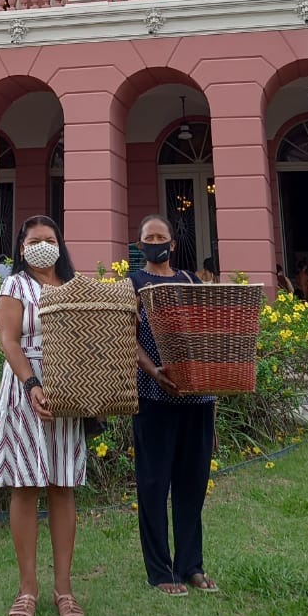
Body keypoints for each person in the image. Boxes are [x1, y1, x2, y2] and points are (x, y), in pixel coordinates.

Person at [0, 216, 86, 616]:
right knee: (24, 487)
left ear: (60, 245)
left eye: (50, 239)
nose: (43, 245)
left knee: (62, 486)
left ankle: (64, 590)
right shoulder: (15, 285)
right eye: (34, 240)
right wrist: (31, 383)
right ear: (22, 248)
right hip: (26, 388)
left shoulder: (73, 287)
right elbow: (8, 340)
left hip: (67, 392)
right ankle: (27, 589)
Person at [130, 215, 219, 596]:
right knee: (153, 485)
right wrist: (154, 371)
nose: (156, 243)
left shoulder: (190, 281)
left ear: (172, 243)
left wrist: (213, 414)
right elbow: (127, 338)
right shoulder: (132, 284)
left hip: (197, 398)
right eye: (149, 238)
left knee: (192, 485)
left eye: (161, 237)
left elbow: (206, 337)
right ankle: (160, 572)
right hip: (154, 398)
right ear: (140, 245)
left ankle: (191, 566)